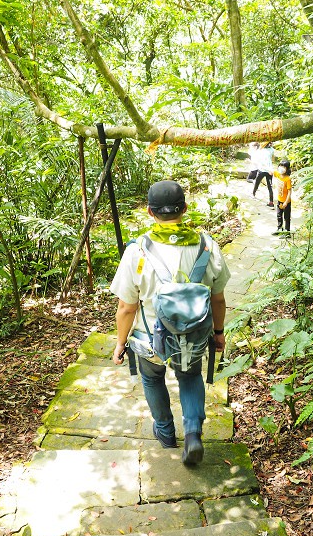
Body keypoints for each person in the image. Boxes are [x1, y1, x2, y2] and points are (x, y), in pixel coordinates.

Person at [111, 180, 231, 465]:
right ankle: (192, 434)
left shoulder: (137, 251)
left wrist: (120, 343)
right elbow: (218, 299)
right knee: (189, 377)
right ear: (185, 209)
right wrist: (219, 332)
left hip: (152, 338)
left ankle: (165, 433)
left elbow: (127, 307)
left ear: (150, 212)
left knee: (152, 378)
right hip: (193, 335)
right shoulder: (207, 246)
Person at [272, 159, 292, 234]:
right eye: (280, 166)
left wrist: (286, 202)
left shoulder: (288, 179)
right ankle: (279, 228)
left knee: (286, 217)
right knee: (279, 215)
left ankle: (287, 232)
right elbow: (272, 172)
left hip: (286, 202)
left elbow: (290, 192)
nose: (281, 168)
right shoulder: (278, 174)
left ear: (287, 169)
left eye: (284, 167)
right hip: (279, 200)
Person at [252, 142, 274, 207]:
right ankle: (271, 202)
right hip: (268, 171)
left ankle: (253, 194)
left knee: (258, 183)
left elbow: (261, 161)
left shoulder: (261, 150)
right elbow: (272, 159)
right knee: (268, 186)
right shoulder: (270, 149)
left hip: (264, 170)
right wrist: (270, 168)